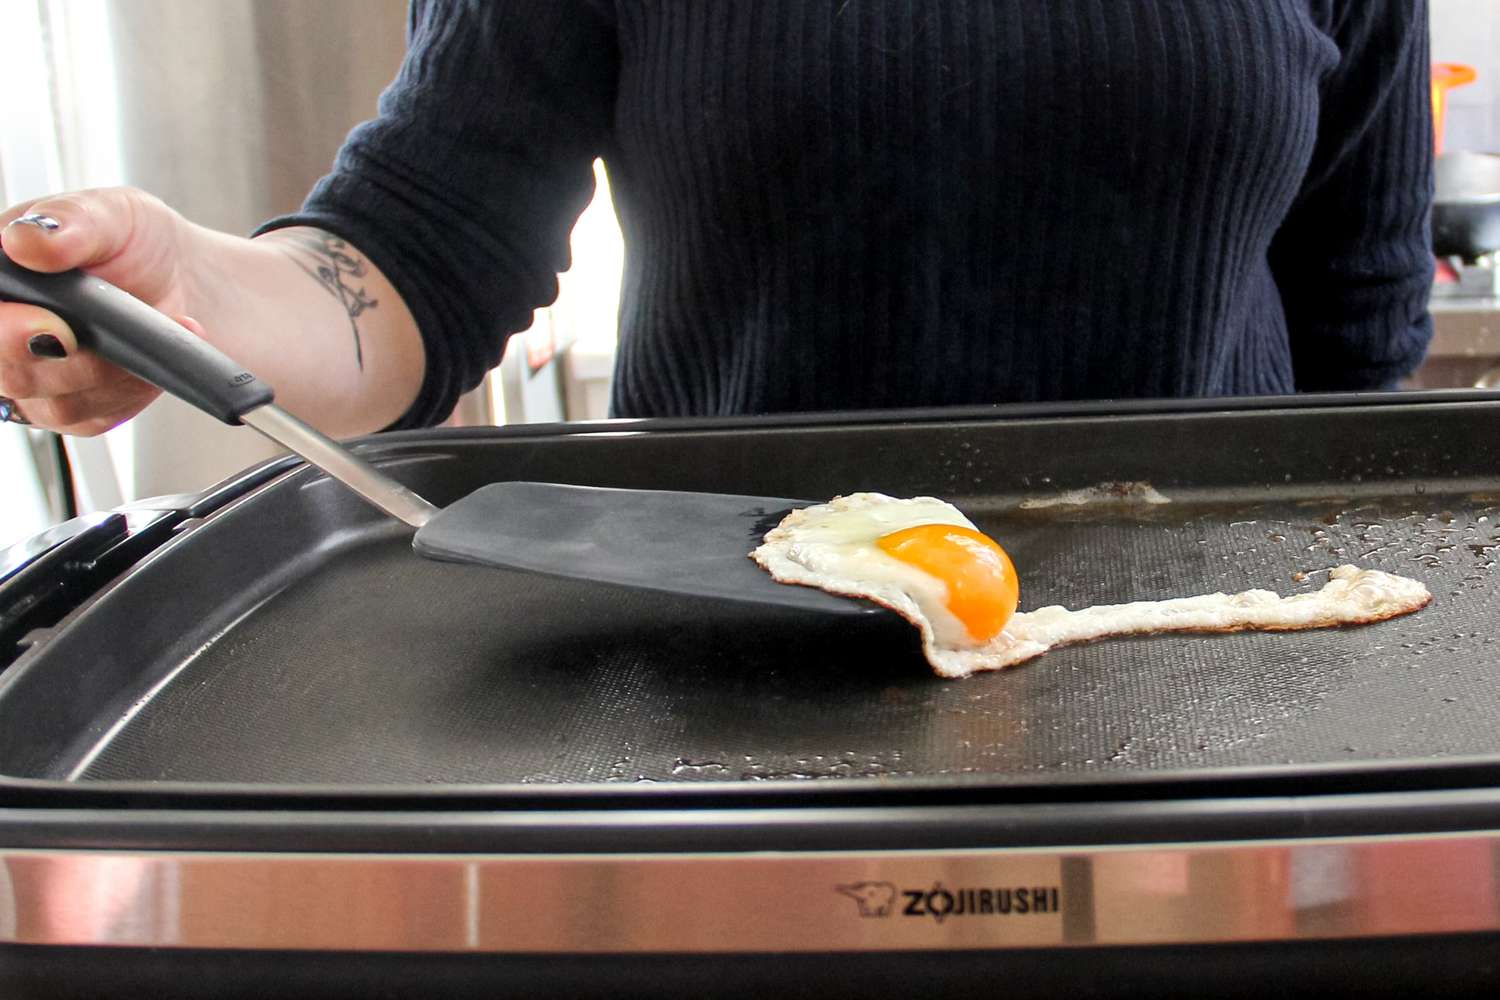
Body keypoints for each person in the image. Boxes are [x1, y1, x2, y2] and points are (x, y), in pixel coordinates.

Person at [0, 1, 1435, 437]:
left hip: (1202, 672)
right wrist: (184, 287)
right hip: (732, 658)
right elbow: (415, 250)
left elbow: (1356, 324)